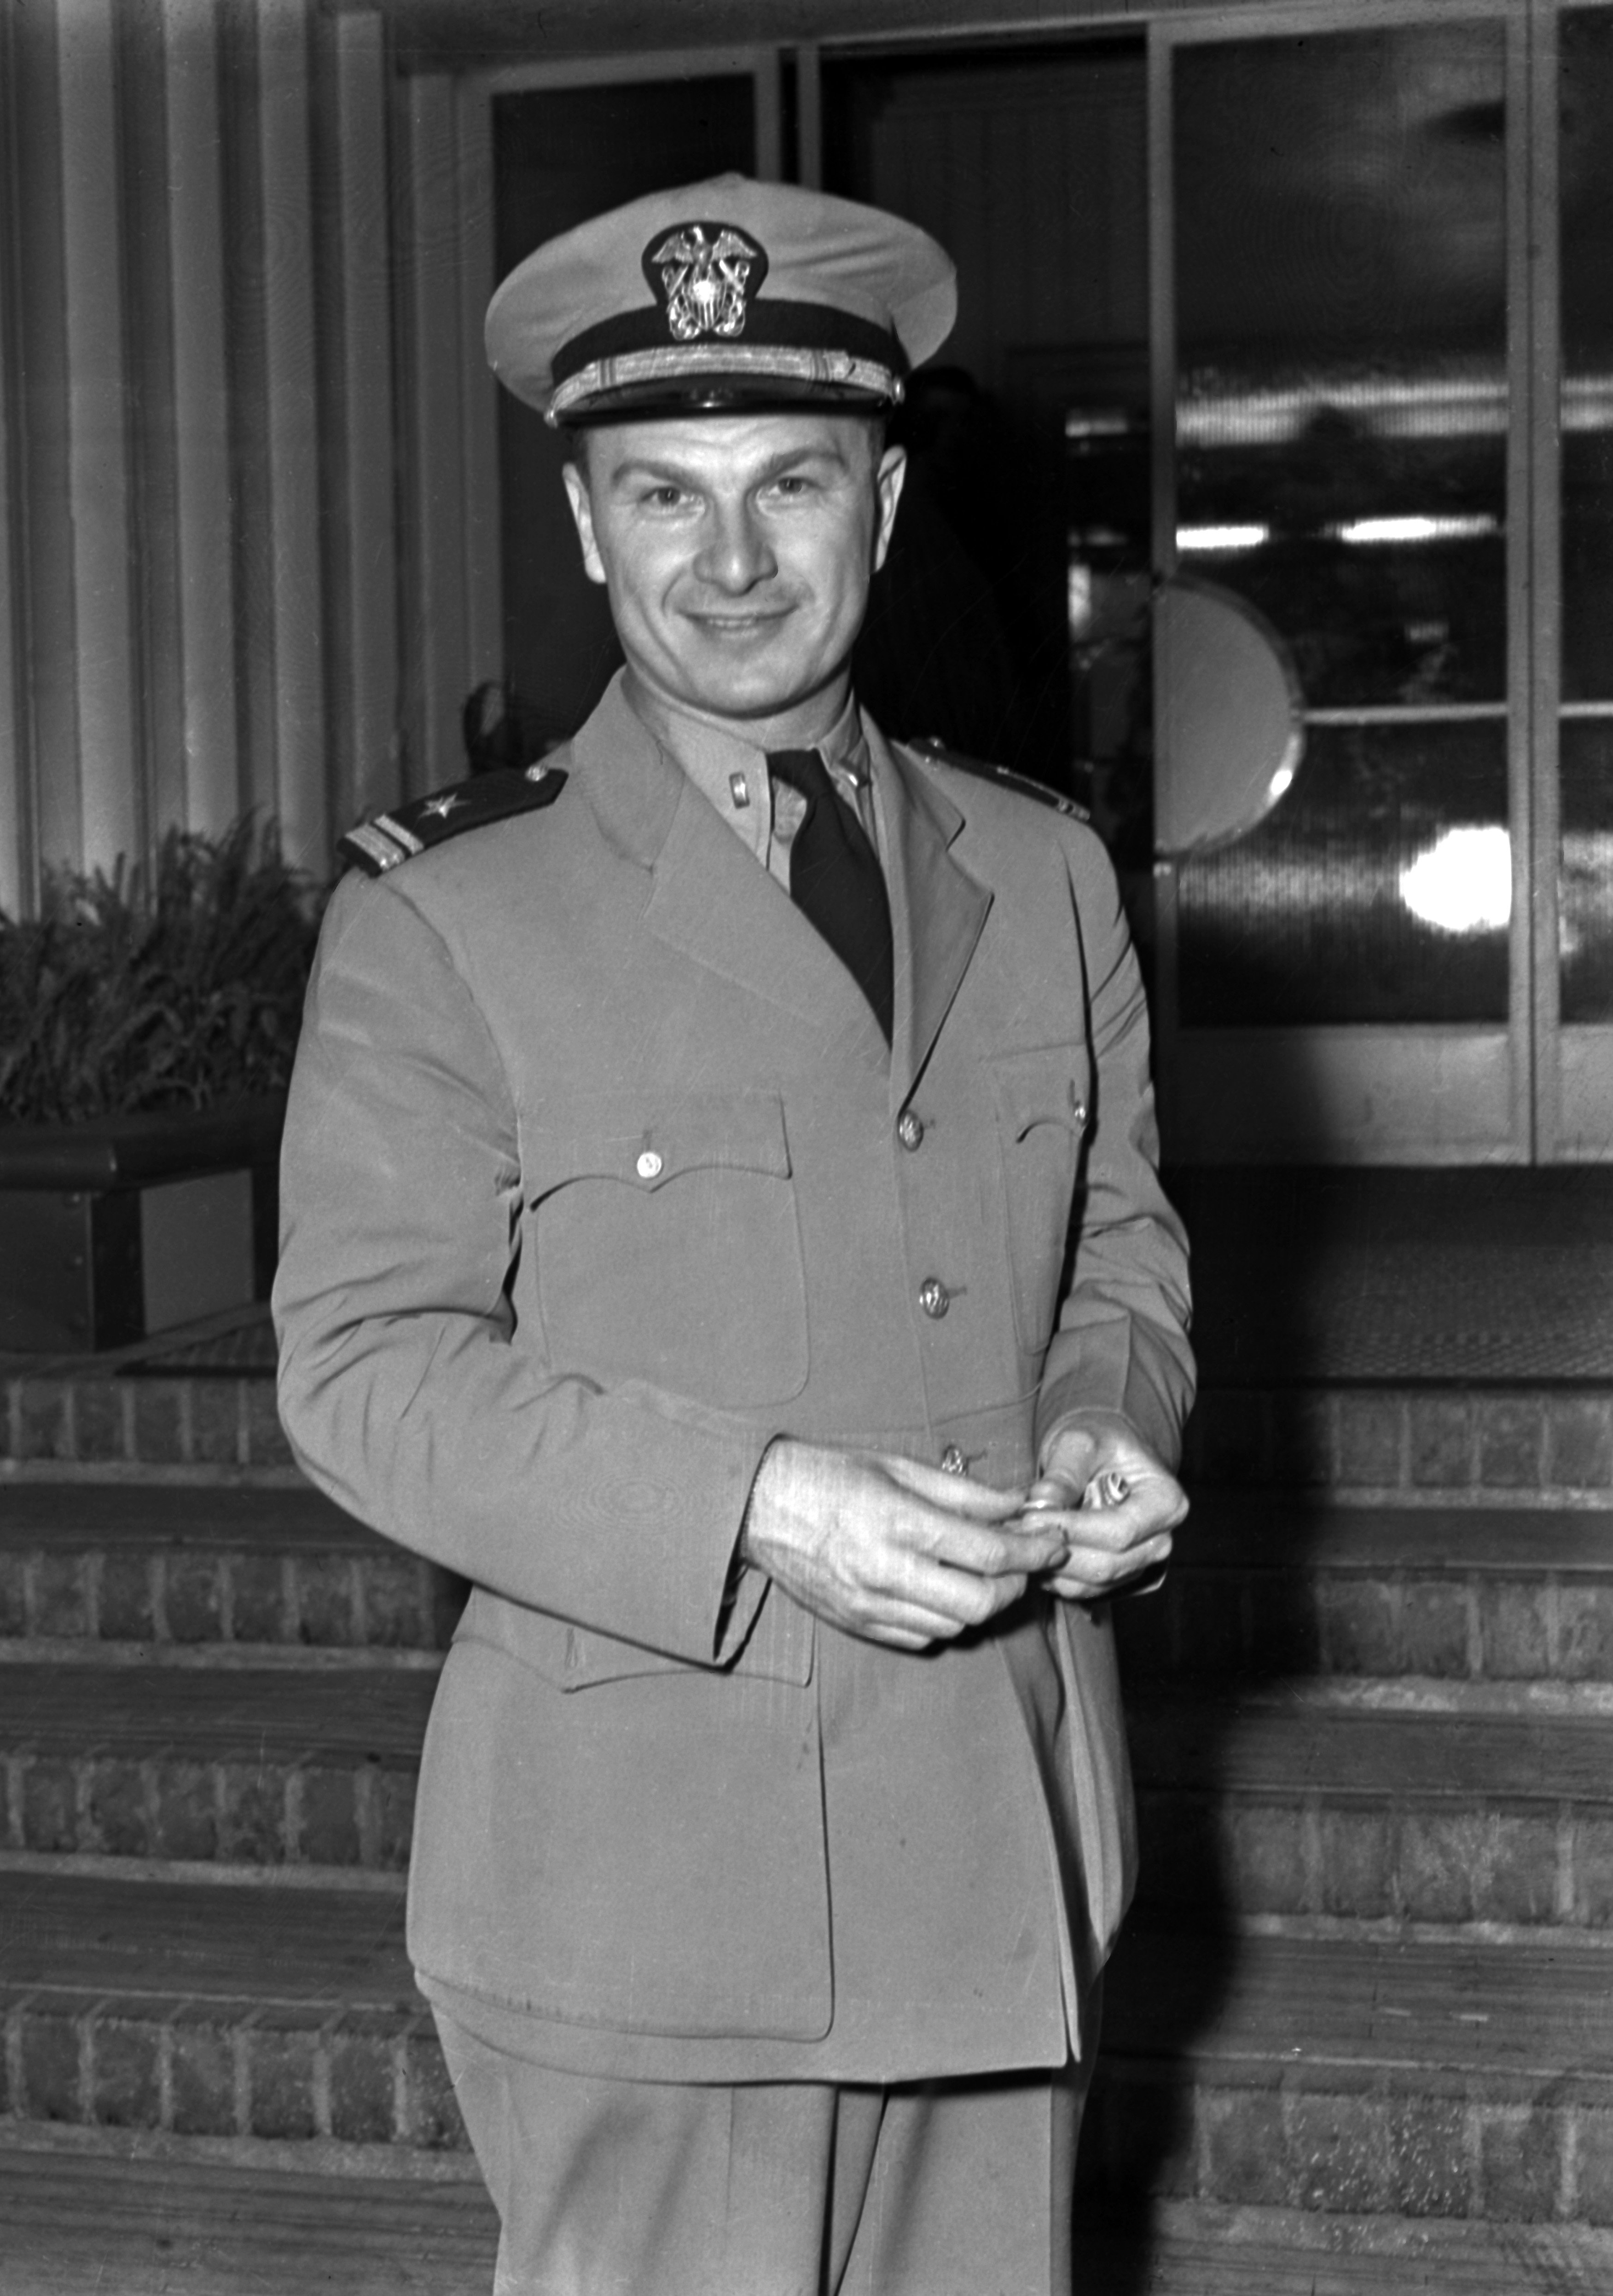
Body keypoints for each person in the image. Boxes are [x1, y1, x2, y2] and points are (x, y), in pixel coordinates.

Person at [273, 173, 1192, 2296]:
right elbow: (365, 1371)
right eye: (663, 497)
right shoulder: (446, 916)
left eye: (790, 483)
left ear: (881, 507)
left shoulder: (1045, 874)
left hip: (1005, 1838)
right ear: (587, 526)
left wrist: (1108, 1416)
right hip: (649, 1896)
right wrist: (764, 1501)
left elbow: (1119, 1238)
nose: (735, 561)